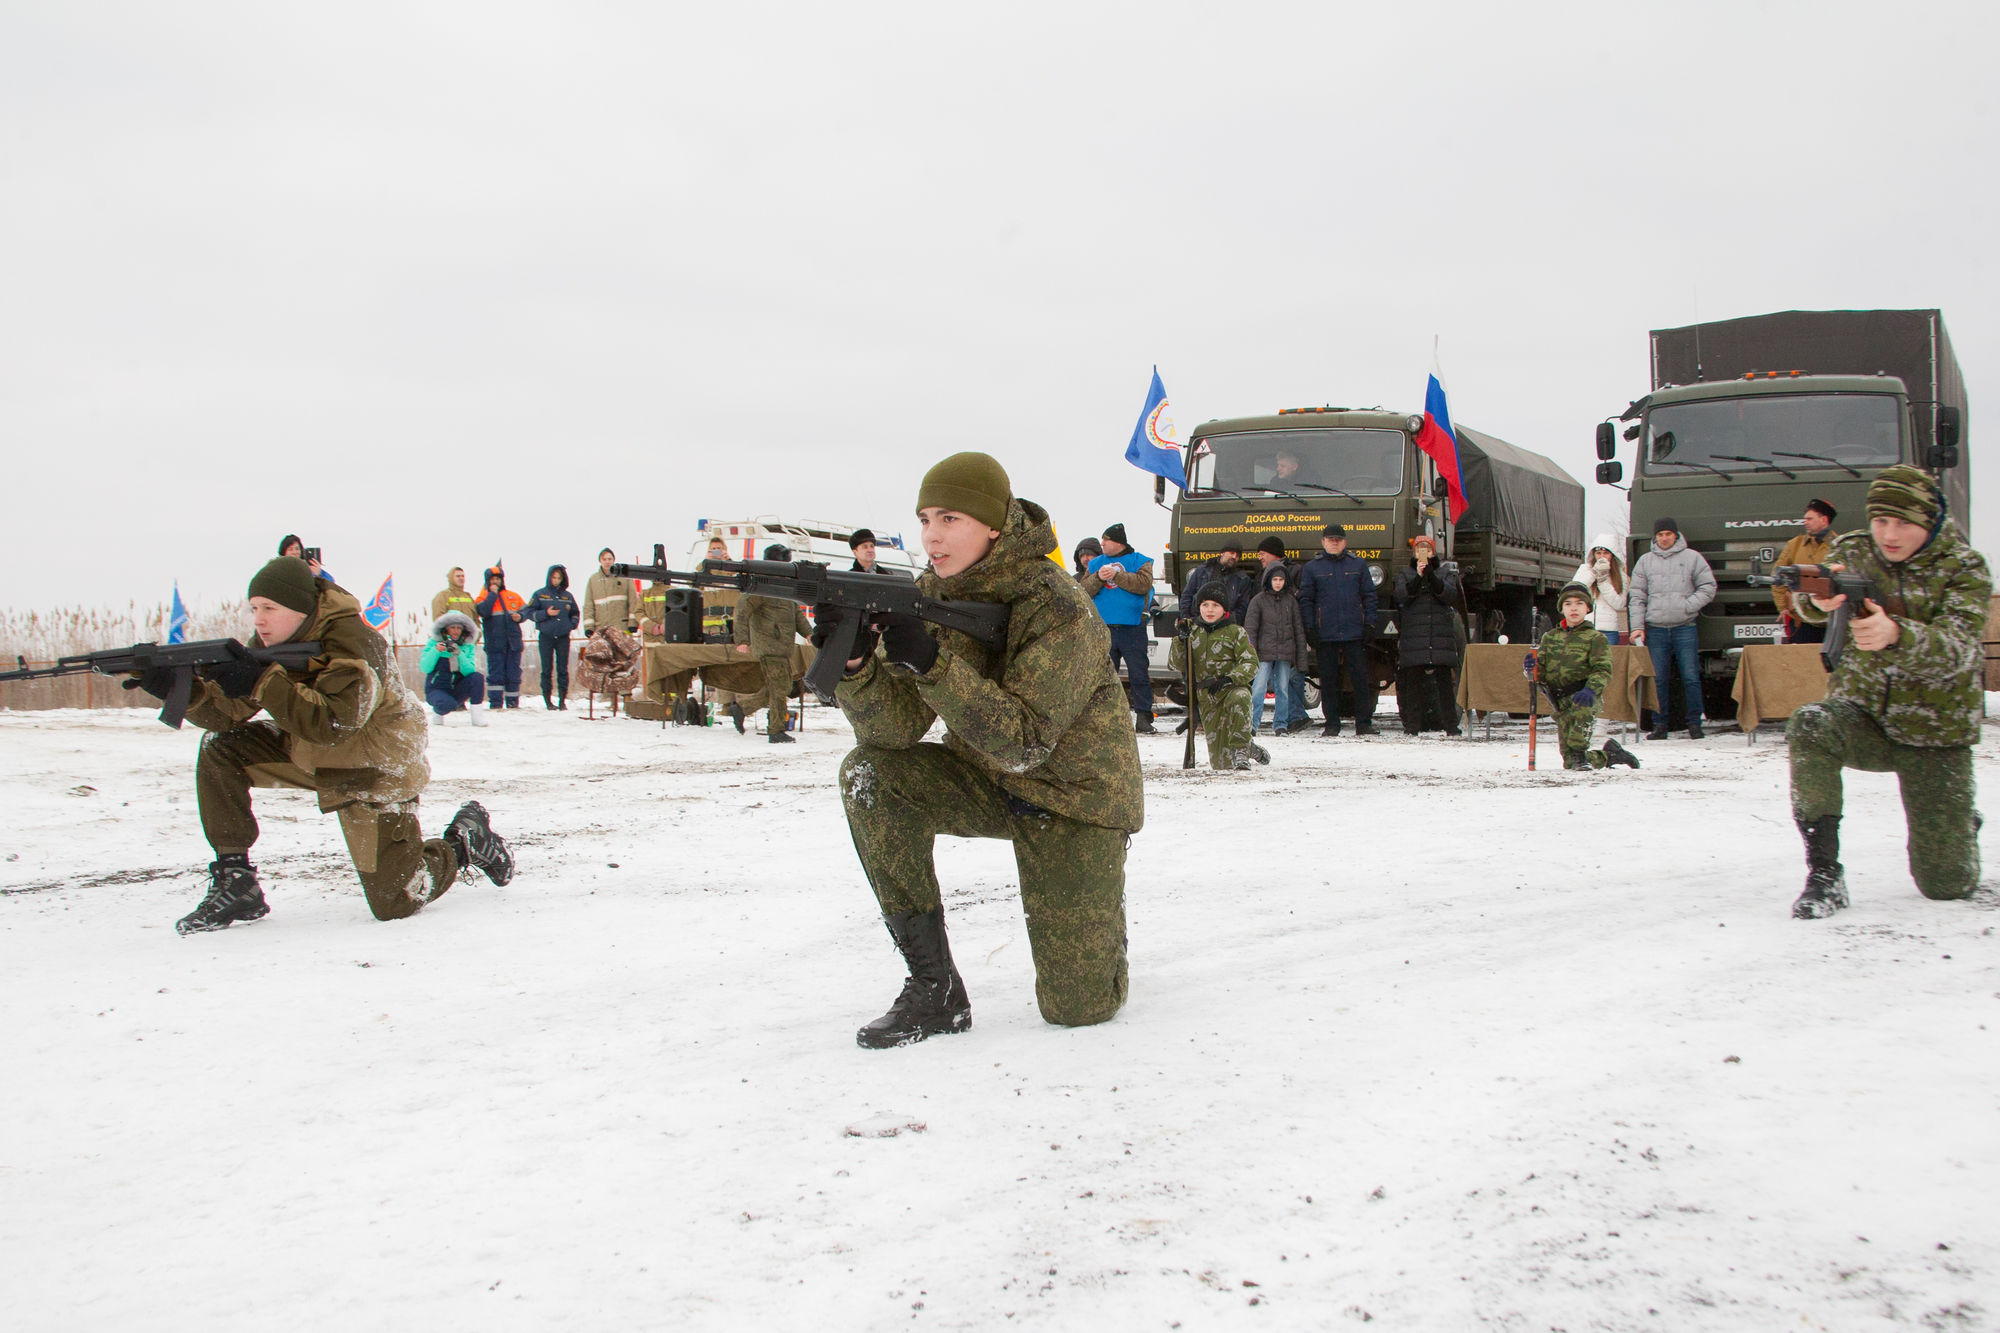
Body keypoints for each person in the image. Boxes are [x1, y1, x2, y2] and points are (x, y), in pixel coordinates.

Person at [821, 451, 1140, 1047]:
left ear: (993, 525)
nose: (932, 536)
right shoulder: (928, 593)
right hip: (987, 779)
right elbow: (895, 731)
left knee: (1078, 1008)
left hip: (1072, 798)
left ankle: (1099, 925)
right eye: (924, 520)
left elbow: (1025, 742)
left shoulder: (1057, 604)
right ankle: (934, 988)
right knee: (871, 775)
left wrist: (931, 663)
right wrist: (857, 666)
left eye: (950, 518)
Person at [137, 556, 513, 934]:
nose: (259, 620)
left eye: (269, 608)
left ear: (301, 609)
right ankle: (237, 881)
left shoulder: (354, 643)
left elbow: (335, 723)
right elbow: (227, 715)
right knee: (221, 746)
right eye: (254, 609)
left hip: (374, 768)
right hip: (315, 752)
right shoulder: (270, 641)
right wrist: (181, 691)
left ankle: (464, 842)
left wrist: (262, 682)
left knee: (395, 900)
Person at [1785, 465, 1990, 918]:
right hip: (1865, 718)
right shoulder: (1853, 549)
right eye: (1881, 521)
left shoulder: (1965, 567)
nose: (1889, 535)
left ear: (1930, 521)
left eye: (1903, 523)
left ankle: (1960, 823)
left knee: (1946, 885)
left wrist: (1897, 634)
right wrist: (1815, 599)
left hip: (1936, 735)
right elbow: (1815, 599)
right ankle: (1825, 873)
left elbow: (1959, 648)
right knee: (1811, 724)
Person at [1533, 583, 1640, 771]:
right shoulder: (1550, 638)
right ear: (1561, 609)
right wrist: (1530, 666)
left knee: (1577, 745)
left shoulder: (1595, 638)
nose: (1573, 608)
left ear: (1588, 608)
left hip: (1584, 697)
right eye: (1568, 604)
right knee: (1569, 761)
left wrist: (1591, 689)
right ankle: (1610, 755)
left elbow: (1603, 669)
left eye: (1579, 603)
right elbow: (1539, 672)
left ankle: (1581, 754)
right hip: (1560, 701)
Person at [1629, 516, 1716, 740]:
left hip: (1685, 627)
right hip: (1656, 629)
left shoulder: (1692, 558)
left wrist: (1688, 606)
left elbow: (1708, 586)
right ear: (1655, 537)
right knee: (1658, 679)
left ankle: (1694, 724)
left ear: (1676, 535)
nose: (1664, 538)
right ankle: (1660, 725)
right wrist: (1637, 626)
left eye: (1668, 534)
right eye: (1660, 534)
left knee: (1691, 677)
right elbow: (1637, 596)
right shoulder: (1645, 562)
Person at [1169, 585, 1264, 770]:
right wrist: (1180, 641)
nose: (1210, 610)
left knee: (1240, 697)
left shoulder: (1236, 632)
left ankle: (1241, 751)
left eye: (1215, 605)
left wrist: (1230, 679)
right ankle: (1250, 747)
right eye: (1205, 605)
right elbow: (1176, 664)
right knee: (1222, 765)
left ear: (1224, 609)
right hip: (1206, 698)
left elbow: (1251, 663)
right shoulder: (1191, 632)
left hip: (1230, 689)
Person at [1297, 523, 1380, 736]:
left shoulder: (1358, 564)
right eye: (1330, 539)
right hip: (1326, 634)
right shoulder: (1312, 568)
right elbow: (1306, 600)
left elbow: (1369, 597)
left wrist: (1370, 624)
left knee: (1360, 679)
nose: (1334, 543)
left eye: (1338, 540)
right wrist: (1310, 628)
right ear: (1323, 542)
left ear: (1345, 542)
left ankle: (1364, 723)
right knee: (1329, 681)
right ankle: (1332, 724)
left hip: (1354, 632)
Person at [729, 544, 811, 743]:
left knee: (780, 686)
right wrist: (742, 640)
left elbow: (796, 613)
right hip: (769, 646)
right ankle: (776, 730)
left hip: (782, 647)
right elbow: (742, 613)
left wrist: (809, 633)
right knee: (780, 688)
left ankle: (742, 709)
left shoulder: (785, 587)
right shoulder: (760, 586)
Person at [1085, 523, 1157, 732]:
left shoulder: (1140, 561)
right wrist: (1099, 577)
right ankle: (1104, 719)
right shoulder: (1096, 564)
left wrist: (1116, 576)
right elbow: (1083, 590)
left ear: (1118, 543)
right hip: (1103, 628)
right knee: (1104, 676)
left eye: (1106, 540)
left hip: (1132, 628)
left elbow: (1143, 584)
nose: (1102, 544)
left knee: (1138, 674)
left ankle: (1143, 717)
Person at [1391, 536, 1463, 736]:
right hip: (1415, 635)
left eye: (1427, 549)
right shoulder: (1406, 573)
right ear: (1414, 553)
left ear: (1433, 552)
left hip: (1439, 636)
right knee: (1413, 684)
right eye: (1419, 549)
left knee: (1444, 684)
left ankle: (1451, 725)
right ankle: (1412, 726)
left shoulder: (1445, 572)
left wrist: (1431, 576)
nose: (1423, 553)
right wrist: (1418, 576)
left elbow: (1449, 595)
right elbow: (1402, 596)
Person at [1242, 562, 1307, 736]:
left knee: (1283, 690)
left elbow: (1298, 630)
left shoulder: (1291, 602)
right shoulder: (1258, 601)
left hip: (1285, 653)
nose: (1278, 583)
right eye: (1275, 579)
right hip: (1263, 654)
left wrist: (1301, 658)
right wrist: (1251, 653)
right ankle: (1252, 724)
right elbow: (1251, 630)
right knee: (1258, 689)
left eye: (1281, 580)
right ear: (1268, 580)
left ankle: (1281, 725)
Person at [1254, 535, 1311, 731]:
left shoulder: (1296, 573)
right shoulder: (1260, 585)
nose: (1260, 557)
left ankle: (1288, 720)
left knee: (1288, 682)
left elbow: (1302, 604)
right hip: (1268, 645)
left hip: (1288, 643)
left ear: (1274, 554)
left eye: (1263, 553)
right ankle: (1294, 717)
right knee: (1268, 684)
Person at [1773, 499, 1839, 644]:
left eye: (1810, 519)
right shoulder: (1795, 545)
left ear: (1824, 520)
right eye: (1805, 519)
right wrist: (1783, 607)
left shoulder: (1839, 546)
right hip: (1801, 620)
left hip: (1831, 619)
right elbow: (1778, 576)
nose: (1805, 522)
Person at [522, 564, 580, 709]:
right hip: (546, 636)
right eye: (554, 578)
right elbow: (529, 612)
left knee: (563, 669)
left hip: (563, 636)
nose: (556, 580)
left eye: (559, 578)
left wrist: (572, 624)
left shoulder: (568, 596)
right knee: (546, 669)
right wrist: (546, 613)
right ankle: (548, 701)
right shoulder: (539, 594)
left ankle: (562, 701)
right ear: (549, 578)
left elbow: (575, 613)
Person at [421, 610, 487, 726]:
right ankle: (438, 712)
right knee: (446, 704)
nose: (456, 631)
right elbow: (425, 668)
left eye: (459, 628)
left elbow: (469, 671)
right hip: (437, 688)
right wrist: (436, 651)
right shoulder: (433, 643)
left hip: (457, 688)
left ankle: (477, 717)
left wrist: (459, 654)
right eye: (452, 627)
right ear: (446, 629)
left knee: (477, 677)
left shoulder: (467, 646)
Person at [473, 564, 526, 709]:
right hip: (495, 644)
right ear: (488, 581)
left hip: (513, 643)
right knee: (496, 675)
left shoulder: (513, 595)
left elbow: (526, 610)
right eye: (493, 579)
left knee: (513, 675)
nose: (496, 582)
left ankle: (513, 703)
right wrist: (492, 594)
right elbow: (483, 611)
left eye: (498, 579)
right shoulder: (482, 597)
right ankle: (496, 704)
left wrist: (520, 616)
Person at [1177, 538, 1257, 626]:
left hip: (1225, 627)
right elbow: (1187, 595)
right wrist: (1186, 618)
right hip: (1198, 624)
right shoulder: (1202, 571)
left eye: (1237, 555)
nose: (1234, 557)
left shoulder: (1242, 579)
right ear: (1222, 553)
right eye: (1231, 553)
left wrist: (1228, 621)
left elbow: (1242, 607)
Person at [1569, 535, 1628, 644]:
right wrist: (1594, 573)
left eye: (1606, 553)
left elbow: (1619, 604)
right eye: (1598, 553)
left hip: (1608, 630)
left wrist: (1603, 582)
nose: (1602, 557)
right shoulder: (1585, 569)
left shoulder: (1620, 575)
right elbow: (1575, 590)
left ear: (1613, 555)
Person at [583, 548, 641, 636]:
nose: (607, 562)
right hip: (601, 630)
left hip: (622, 628)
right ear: (600, 561)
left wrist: (633, 623)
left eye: (609, 559)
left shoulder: (625, 577)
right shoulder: (593, 580)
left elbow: (633, 601)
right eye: (604, 559)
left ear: (614, 560)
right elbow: (588, 605)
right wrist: (589, 628)